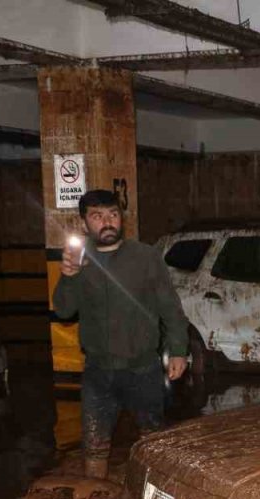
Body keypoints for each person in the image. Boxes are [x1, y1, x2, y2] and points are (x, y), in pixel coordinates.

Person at [53, 189, 189, 480]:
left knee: (153, 442)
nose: (107, 222)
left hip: (143, 369)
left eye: (113, 215)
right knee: (94, 445)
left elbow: (170, 307)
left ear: (121, 218)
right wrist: (68, 276)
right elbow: (63, 310)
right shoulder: (78, 260)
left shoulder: (145, 257)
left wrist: (178, 349)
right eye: (97, 216)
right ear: (84, 223)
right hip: (98, 372)